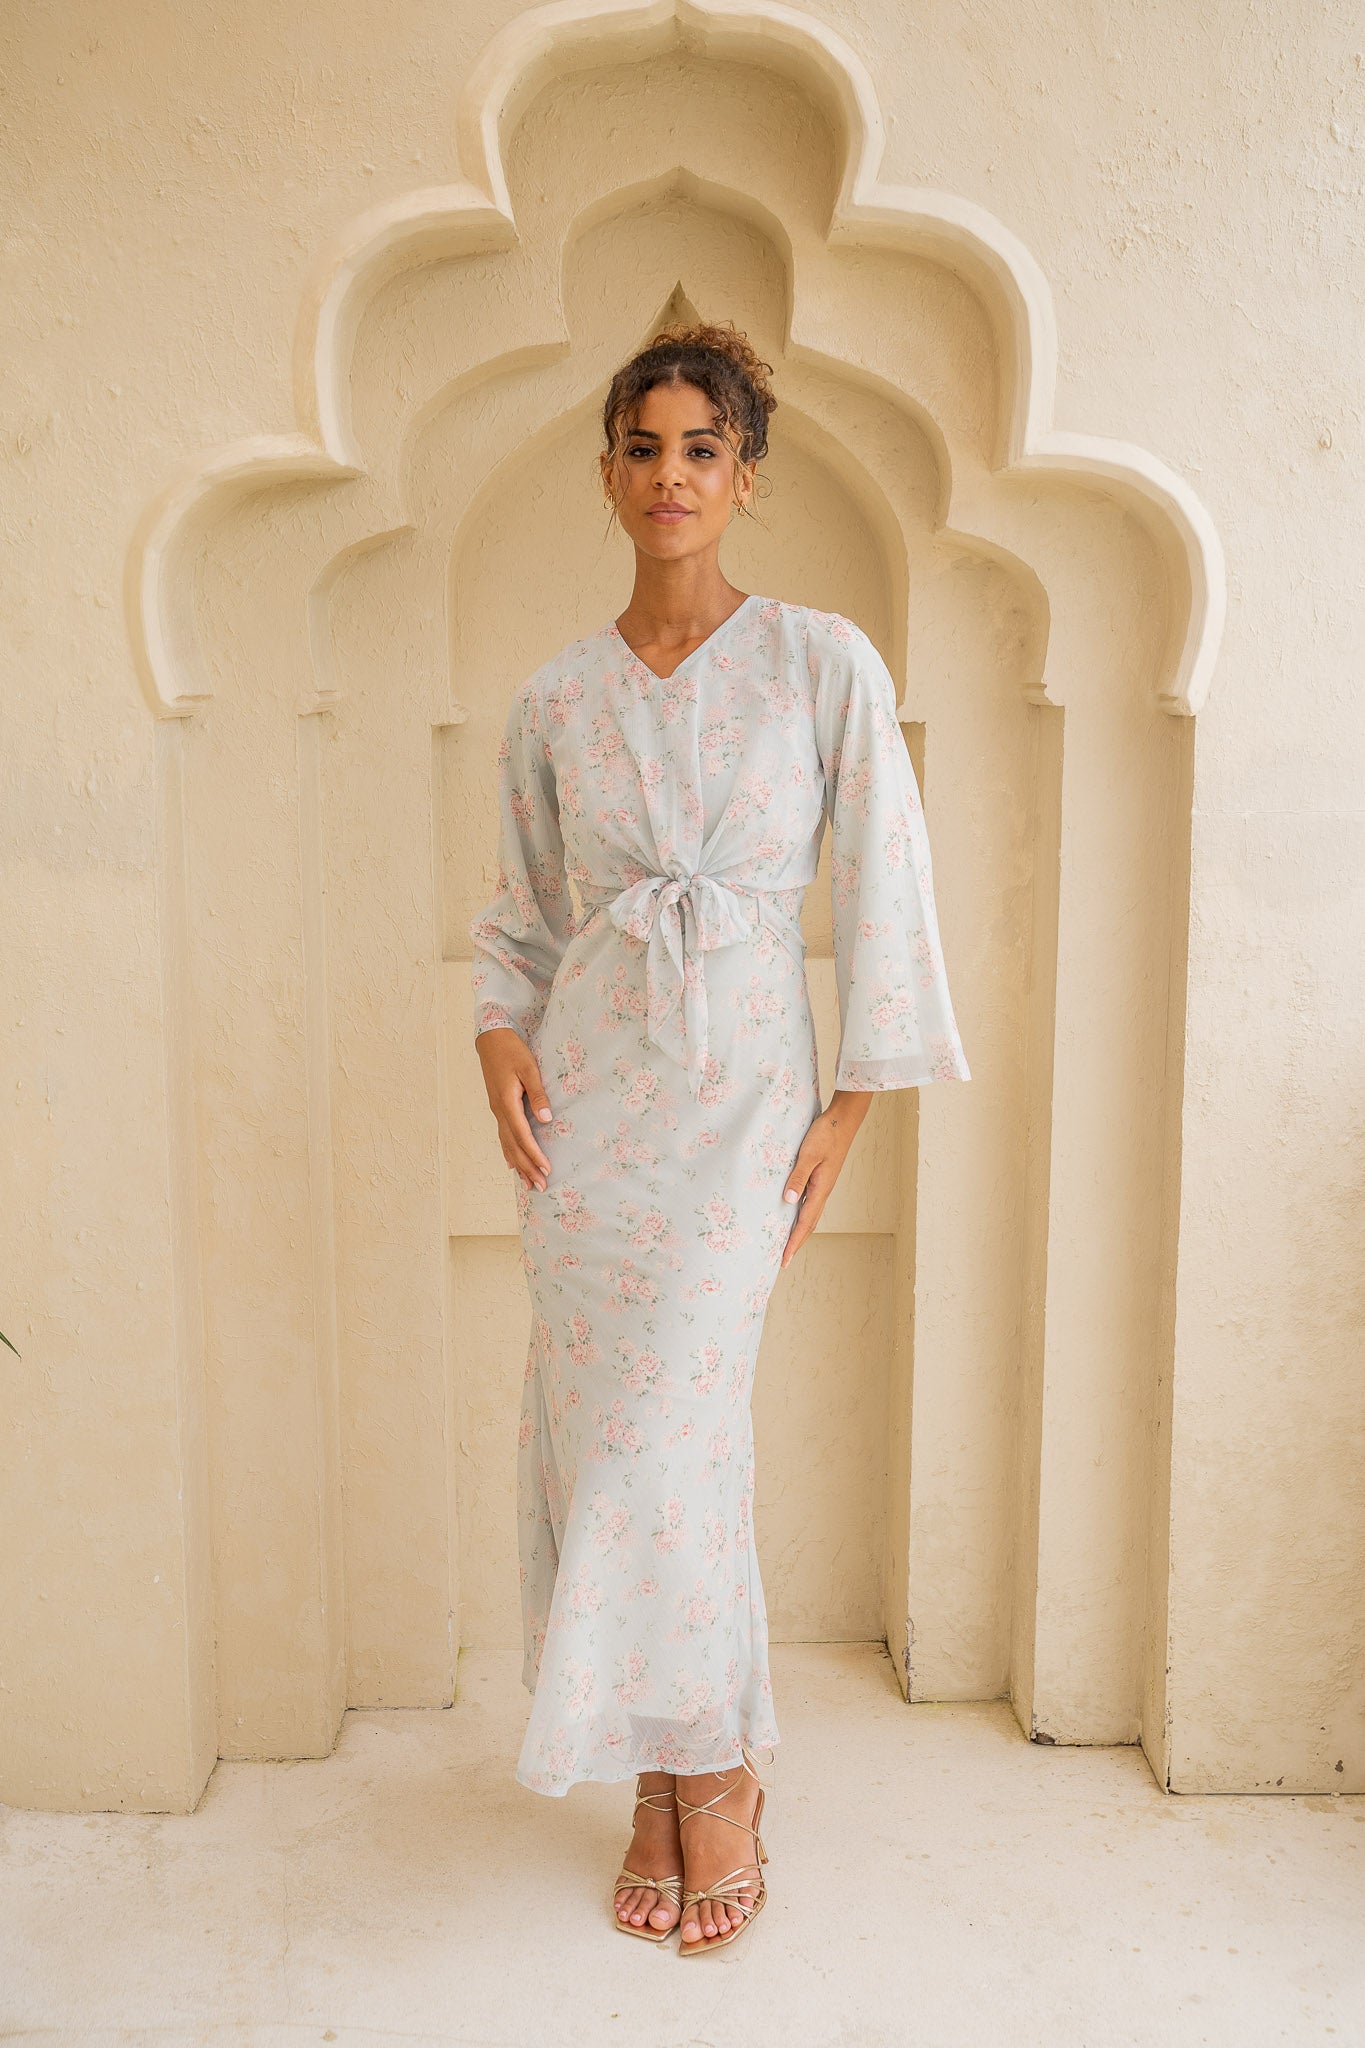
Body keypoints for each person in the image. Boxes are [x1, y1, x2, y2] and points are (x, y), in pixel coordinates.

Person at [468, 320, 971, 1953]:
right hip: (589, 1122)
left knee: (673, 1446)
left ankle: (719, 1778)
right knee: (603, 1444)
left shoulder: (821, 663)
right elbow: (520, 918)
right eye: (641, 446)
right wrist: (496, 1034)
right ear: (606, 472)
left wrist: (851, 1106)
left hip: (746, 1110)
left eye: (700, 448)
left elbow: (885, 879)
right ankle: (666, 1772)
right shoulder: (556, 697)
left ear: (745, 475)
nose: (668, 475)